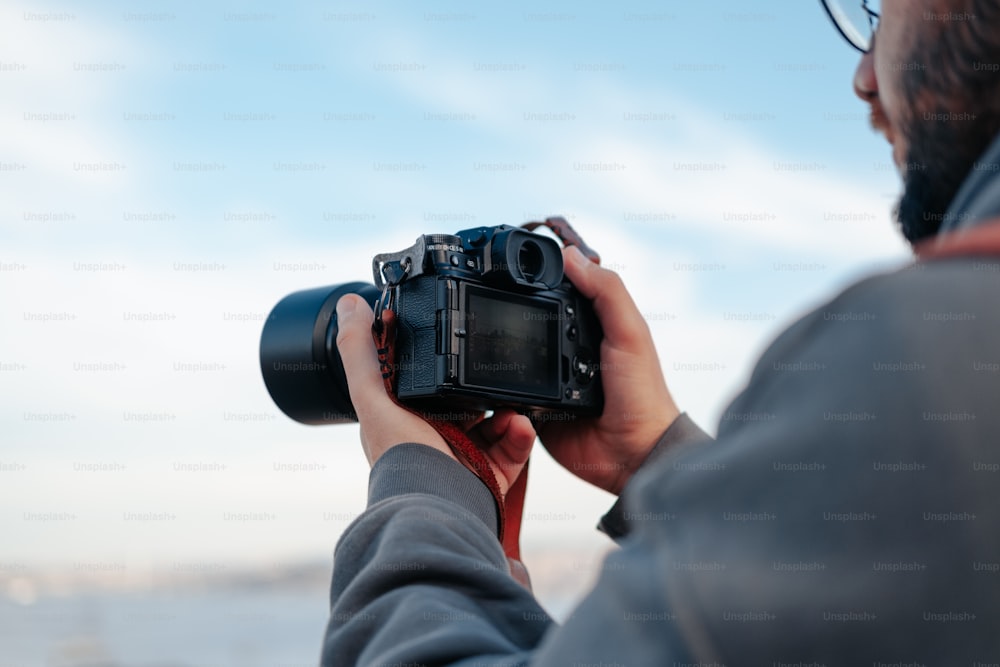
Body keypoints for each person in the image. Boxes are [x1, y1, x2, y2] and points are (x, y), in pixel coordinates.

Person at [322, 1, 1000, 664]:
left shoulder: (918, 359)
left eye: (884, 12)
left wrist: (423, 487)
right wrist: (655, 456)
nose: (865, 77)